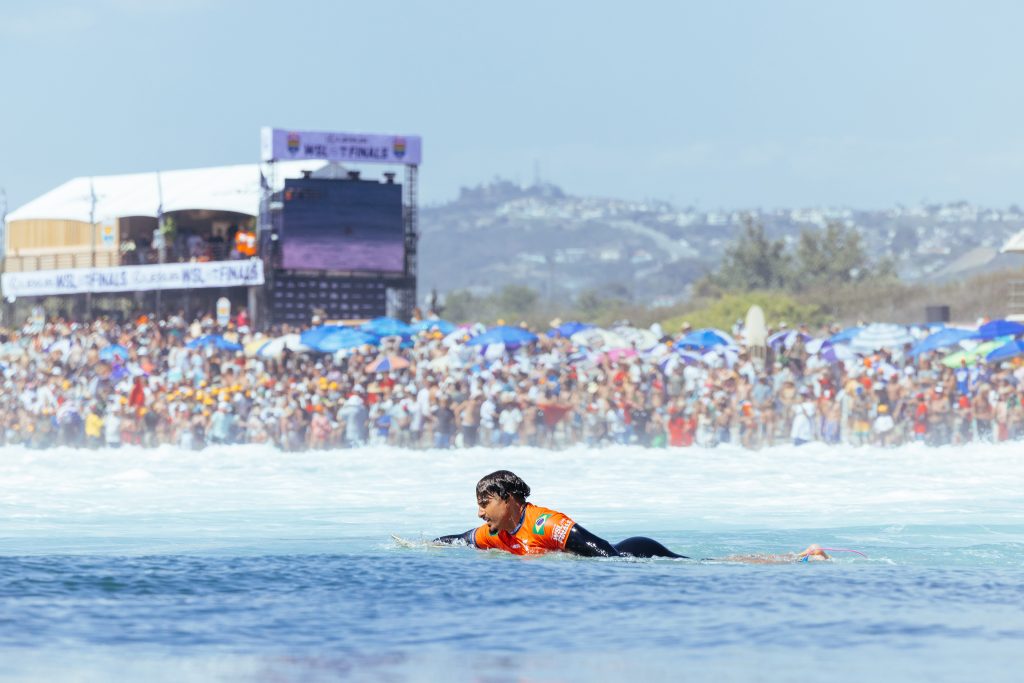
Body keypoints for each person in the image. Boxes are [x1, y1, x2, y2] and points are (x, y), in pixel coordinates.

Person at [433, 470, 828, 563]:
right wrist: (422, 544)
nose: (479, 512)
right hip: (618, 554)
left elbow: (605, 554)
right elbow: (461, 539)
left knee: (707, 564)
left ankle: (798, 557)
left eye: (485, 503)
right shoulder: (494, 533)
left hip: (634, 552)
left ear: (508, 499)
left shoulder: (544, 523)